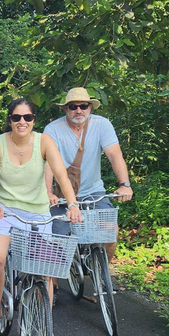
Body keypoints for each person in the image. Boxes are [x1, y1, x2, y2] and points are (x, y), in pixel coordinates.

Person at [0, 98, 81, 336]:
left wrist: (72, 204)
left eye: (27, 117)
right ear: (10, 121)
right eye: (16, 117)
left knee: (44, 272)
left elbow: (61, 175)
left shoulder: (44, 142)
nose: (22, 122)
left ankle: (46, 328)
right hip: (4, 210)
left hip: (37, 212)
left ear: (34, 120)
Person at [44, 87, 133, 260]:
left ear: (90, 108)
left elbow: (115, 155)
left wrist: (125, 185)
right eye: (73, 106)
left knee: (111, 232)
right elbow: (48, 164)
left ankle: (103, 273)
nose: (78, 110)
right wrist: (47, 191)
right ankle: (52, 283)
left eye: (83, 106)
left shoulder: (102, 125)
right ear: (65, 109)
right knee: (57, 240)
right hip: (62, 194)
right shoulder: (53, 129)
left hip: (94, 191)